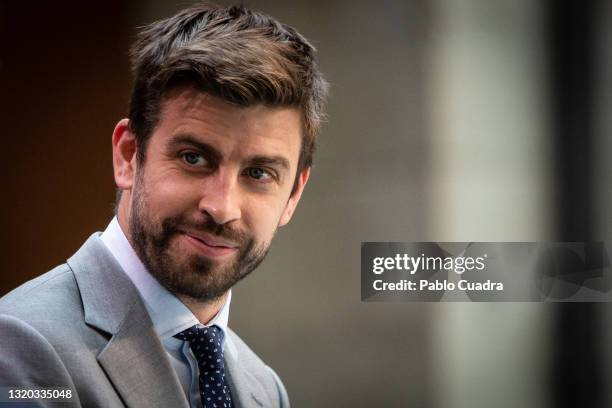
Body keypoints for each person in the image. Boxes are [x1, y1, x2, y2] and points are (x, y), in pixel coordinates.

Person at [0, 3, 327, 407]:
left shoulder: (265, 388)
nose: (222, 207)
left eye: (259, 174)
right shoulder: (18, 346)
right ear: (129, 154)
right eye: (194, 158)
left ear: (293, 194)